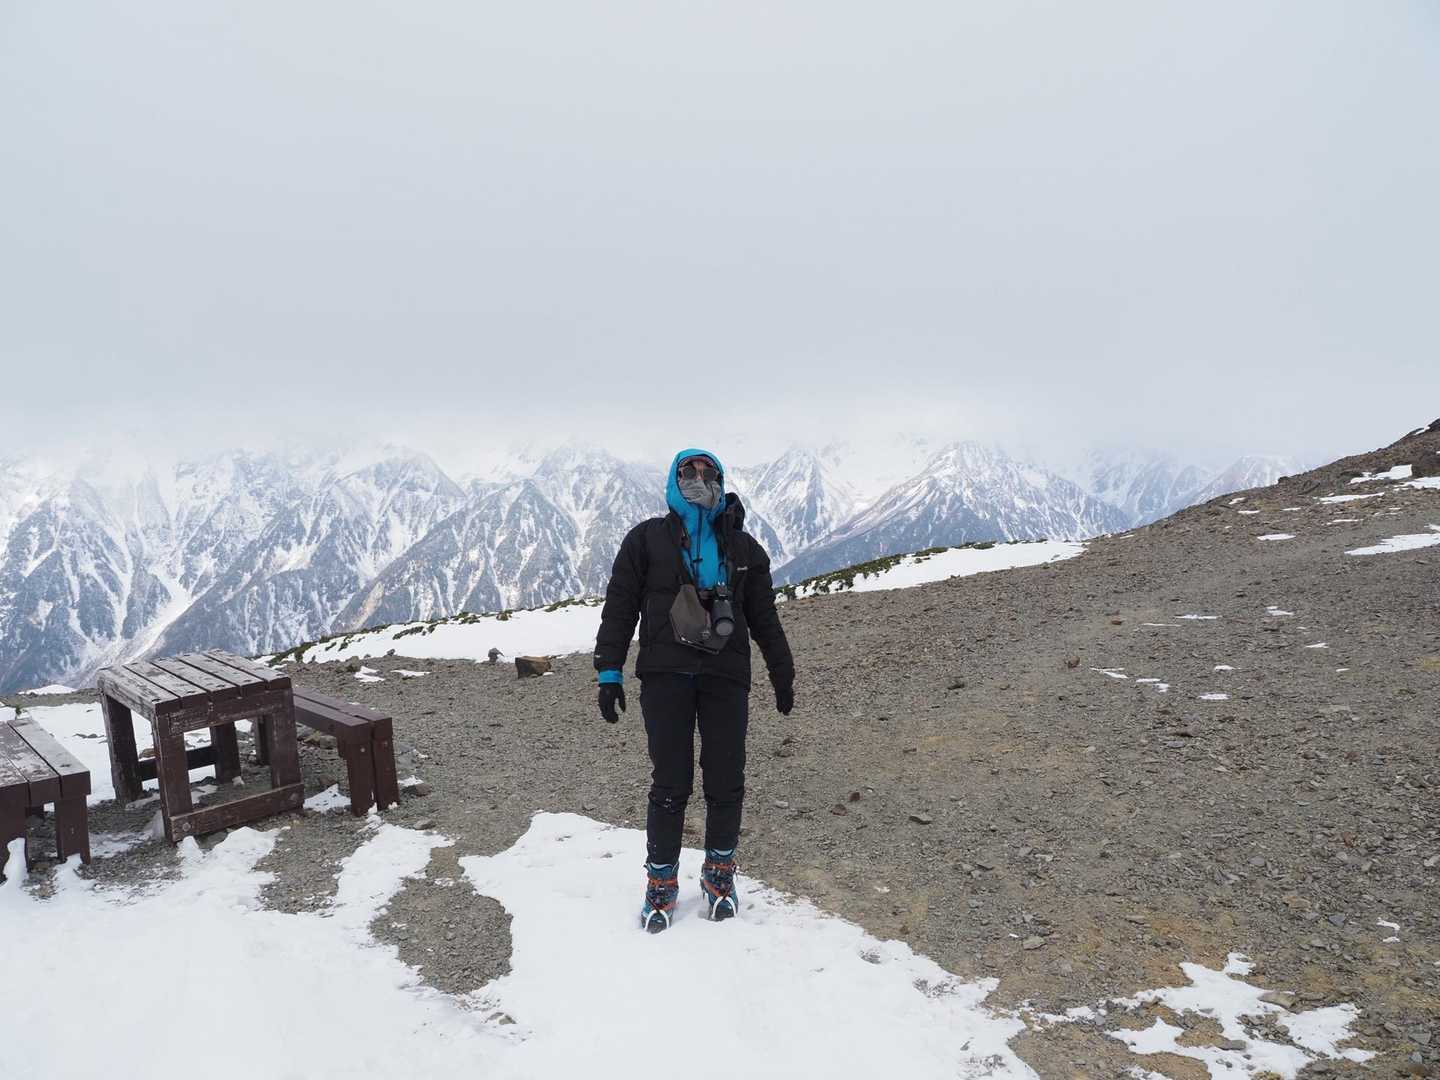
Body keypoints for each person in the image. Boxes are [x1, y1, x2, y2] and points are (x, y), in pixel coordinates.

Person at [594, 448, 794, 932]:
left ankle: (719, 874)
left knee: (726, 778)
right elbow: (620, 606)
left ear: (721, 482)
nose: (698, 479)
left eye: (708, 473)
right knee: (670, 781)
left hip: (725, 675)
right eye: (689, 471)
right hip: (666, 675)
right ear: (673, 479)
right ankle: (661, 881)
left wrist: (781, 669)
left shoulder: (744, 549)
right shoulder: (645, 540)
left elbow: (764, 616)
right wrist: (609, 671)